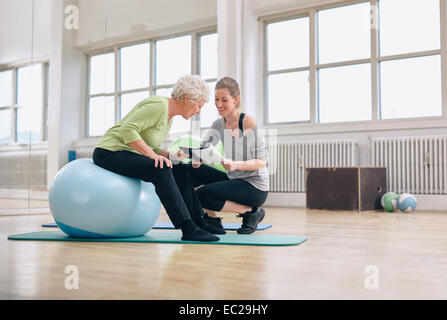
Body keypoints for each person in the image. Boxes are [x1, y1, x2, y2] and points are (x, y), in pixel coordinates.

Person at [92, 75, 224, 242]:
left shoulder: (168, 118)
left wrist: (170, 155)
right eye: (199, 106)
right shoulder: (159, 106)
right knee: (161, 169)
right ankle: (187, 227)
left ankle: (199, 221)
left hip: (128, 152)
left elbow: (147, 145)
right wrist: (154, 156)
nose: (198, 111)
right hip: (109, 152)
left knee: (181, 168)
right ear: (187, 99)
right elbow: (127, 130)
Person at [188, 77, 269, 234]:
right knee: (190, 171)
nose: (219, 104)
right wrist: (196, 157)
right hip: (234, 180)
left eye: (224, 100)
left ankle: (250, 212)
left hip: (254, 186)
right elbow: (204, 148)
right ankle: (211, 217)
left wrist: (235, 164)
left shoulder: (247, 123)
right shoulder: (218, 124)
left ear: (235, 99)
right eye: (216, 99)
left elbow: (261, 162)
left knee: (202, 195)